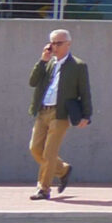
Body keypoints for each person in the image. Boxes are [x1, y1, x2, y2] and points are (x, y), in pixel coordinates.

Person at [27, 29, 92, 200]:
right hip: (42, 111)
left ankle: (43, 189)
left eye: (58, 43)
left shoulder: (78, 66)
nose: (54, 46)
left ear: (68, 44)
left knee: (49, 154)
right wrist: (42, 61)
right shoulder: (48, 63)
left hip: (60, 113)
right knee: (35, 149)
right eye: (52, 43)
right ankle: (63, 169)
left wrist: (87, 115)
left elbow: (85, 91)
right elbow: (32, 82)